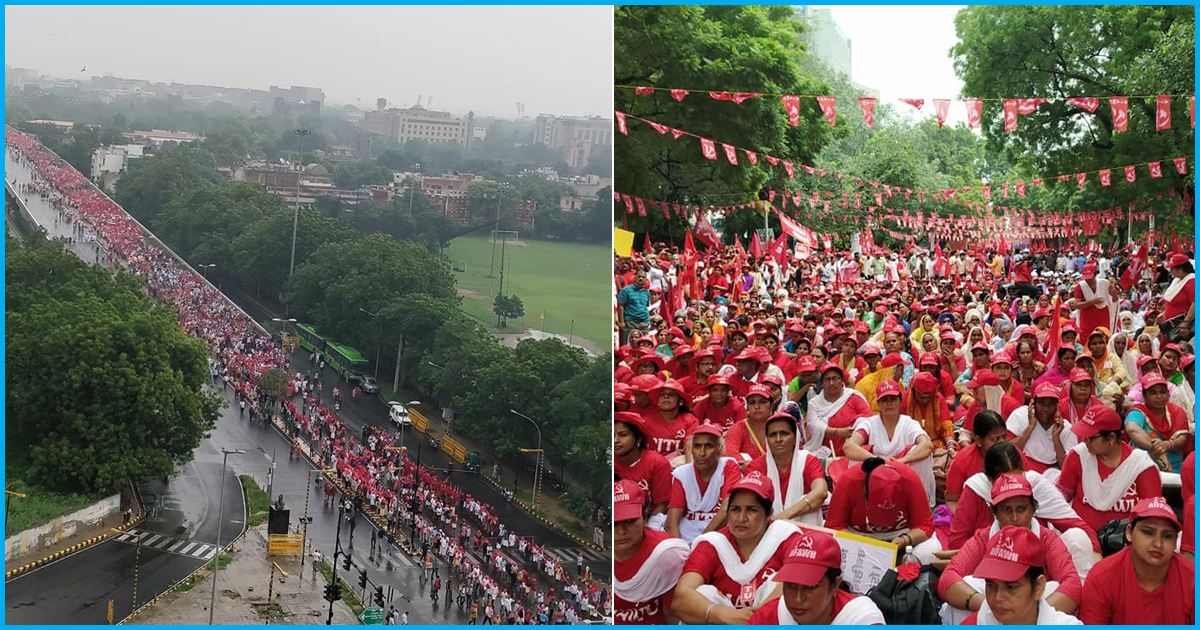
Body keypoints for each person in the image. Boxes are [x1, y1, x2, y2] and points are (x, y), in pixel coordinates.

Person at [940, 475, 1083, 621]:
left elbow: (1072, 586)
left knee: (1053, 587)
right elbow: (948, 579)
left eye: (1021, 509)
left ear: (1033, 509)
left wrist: (1029, 615)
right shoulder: (984, 538)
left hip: (1033, 611)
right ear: (995, 513)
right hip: (992, 608)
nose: (1015, 518)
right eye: (1006, 510)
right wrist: (992, 608)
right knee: (969, 584)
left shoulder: (1046, 539)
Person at [671, 473, 803, 624]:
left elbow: (801, 581)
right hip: (726, 621)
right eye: (735, 509)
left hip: (768, 621)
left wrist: (755, 619)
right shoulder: (713, 543)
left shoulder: (784, 536)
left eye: (752, 510)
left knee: (784, 583)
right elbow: (680, 598)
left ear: (768, 515)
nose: (741, 518)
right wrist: (723, 615)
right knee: (703, 593)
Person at [1078, 497, 1194, 624]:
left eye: (1167, 536)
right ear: (1129, 533)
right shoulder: (1102, 577)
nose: (1158, 544)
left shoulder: (1192, 579)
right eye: (1148, 532)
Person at [1055, 404, 1162, 532]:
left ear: (1111, 438)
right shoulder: (1078, 456)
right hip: (1081, 536)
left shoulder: (1141, 466)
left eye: (1090, 438)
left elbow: (1152, 515)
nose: (1084, 441)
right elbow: (1061, 494)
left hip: (1124, 541)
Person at [744, 531, 886, 624]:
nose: (798, 599)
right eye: (790, 585)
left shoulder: (860, 619)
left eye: (810, 587)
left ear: (835, 586)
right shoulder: (770, 616)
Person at [957, 526, 1083, 625]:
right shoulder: (978, 623)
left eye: (1011, 587)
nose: (997, 598)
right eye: (991, 585)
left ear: (1038, 587)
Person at [824, 457, 938, 563]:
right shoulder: (849, 480)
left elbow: (926, 525)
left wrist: (905, 540)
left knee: (929, 551)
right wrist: (862, 542)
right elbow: (834, 526)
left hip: (902, 533)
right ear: (864, 491)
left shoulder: (910, 479)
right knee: (830, 549)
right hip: (858, 535)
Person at [843, 380, 936, 504]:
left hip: (904, 471)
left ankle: (918, 502)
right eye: (884, 400)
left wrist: (902, 461)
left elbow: (927, 445)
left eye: (893, 399)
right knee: (855, 459)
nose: (889, 403)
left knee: (923, 455)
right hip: (876, 473)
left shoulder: (909, 423)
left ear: (900, 401)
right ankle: (860, 504)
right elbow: (849, 446)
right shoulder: (869, 423)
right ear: (878, 404)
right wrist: (877, 459)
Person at [745, 412, 827, 525]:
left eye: (784, 433)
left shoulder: (808, 460)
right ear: (767, 439)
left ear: (795, 438)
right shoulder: (756, 466)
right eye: (773, 435)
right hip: (767, 524)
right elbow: (750, 502)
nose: (778, 439)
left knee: (810, 504)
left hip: (799, 522)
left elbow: (821, 491)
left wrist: (785, 516)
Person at [665, 425, 741, 543]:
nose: (702, 453)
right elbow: (672, 522)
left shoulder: (728, 466)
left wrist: (700, 542)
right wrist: (678, 548)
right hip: (686, 532)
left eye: (708, 446)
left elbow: (727, 509)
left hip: (717, 533)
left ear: (720, 449)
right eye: (697, 446)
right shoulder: (682, 474)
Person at [946, 410, 1019, 512]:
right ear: (978, 440)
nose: (1002, 443)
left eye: (1004, 437)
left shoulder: (1014, 454)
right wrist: (964, 520)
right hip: (975, 514)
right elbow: (952, 500)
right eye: (995, 439)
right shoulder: (963, 459)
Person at [1123, 371, 1193, 473]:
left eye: (1163, 392)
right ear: (1144, 395)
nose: (1159, 396)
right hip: (1144, 466)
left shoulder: (1176, 411)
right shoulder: (1138, 411)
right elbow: (1132, 429)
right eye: (1153, 393)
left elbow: (1182, 439)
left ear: (1168, 394)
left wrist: (1167, 444)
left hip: (1175, 467)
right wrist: (1160, 452)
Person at [1006, 382, 1079, 476]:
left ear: (1057, 406)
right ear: (1033, 403)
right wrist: (1030, 427)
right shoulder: (1020, 414)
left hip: (1051, 474)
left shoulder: (1066, 427)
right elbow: (1007, 451)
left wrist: (1056, 438)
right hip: (1020, 470)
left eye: (1051, 404)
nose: (1046, 409)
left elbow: (1067, 468)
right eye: (1041, 404)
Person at [613, 412, 671, 528]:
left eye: (622, 435)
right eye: (612, 435)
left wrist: (645, 526)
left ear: (638, 438)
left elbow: (662, 504)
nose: (615, 440)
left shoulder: (658, 463)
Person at [804, 363, 871, 458]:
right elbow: (814, 426)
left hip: (855, 453)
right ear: (822, 383)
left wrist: (856, 434)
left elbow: (869, 421)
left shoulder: (854, 397)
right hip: (826, 454)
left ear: (842, 380)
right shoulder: (814, 403)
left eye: (835, 378)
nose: (831, 383)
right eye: (827, 379)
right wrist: (839, 432)